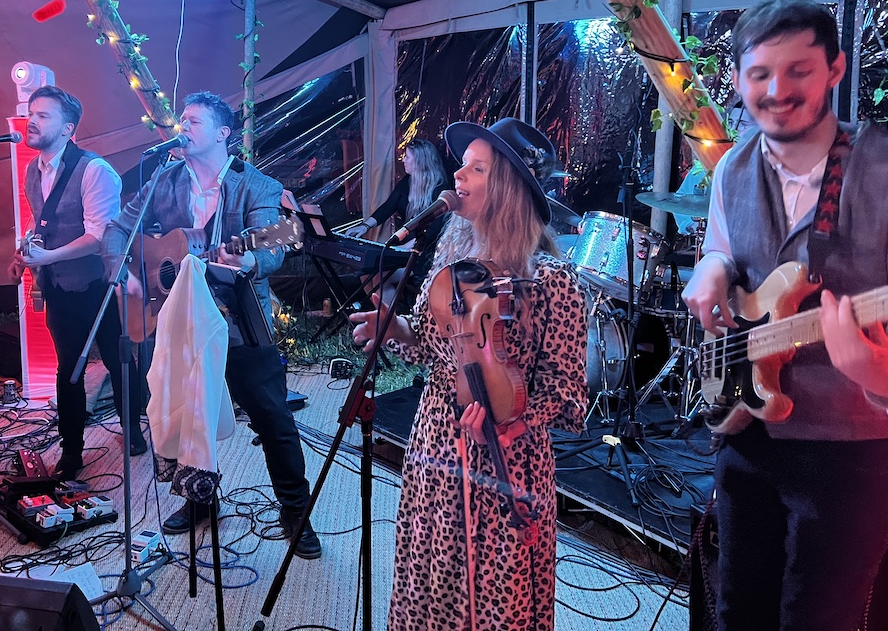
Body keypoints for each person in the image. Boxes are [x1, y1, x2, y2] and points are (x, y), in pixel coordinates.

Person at [681, 0, 888, 630]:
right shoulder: (732, 166)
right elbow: (725, 246)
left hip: (851, 453)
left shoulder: (883, 168)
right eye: (759, 73)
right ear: (738, 78)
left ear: (835, 70)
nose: (776, 91)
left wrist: (877, 374)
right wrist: (712, 263)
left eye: (799, 70)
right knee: (736, 612)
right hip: (747, 433)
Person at [351, 118, 588, 630]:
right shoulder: (451, 261)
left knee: (496, 596)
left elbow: (568, 390)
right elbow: (433, 346)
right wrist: (395, 329)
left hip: (507, 460)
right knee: (431, 576)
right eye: (463, 165)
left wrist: (512, 421)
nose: (457, 175)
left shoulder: (553, 281)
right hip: (436, 439)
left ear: (507, 188)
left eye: (477, 168)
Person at [101, 91, 322, 560]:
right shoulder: (164, 180)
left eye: (194, 120)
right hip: (179, 319)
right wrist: (123, 272)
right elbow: (118, 228)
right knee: (186, 412)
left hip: (238, 318)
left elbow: (277, 241)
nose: (183, 126)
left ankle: (296, 512)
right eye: (182, 119)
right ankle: (200, 501)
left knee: (272, 417)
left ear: (223, 134)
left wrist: (250, 260)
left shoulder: (255, 185)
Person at [9, 85, 146, 480]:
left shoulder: (94, 170)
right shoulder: (32, 171)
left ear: (68, 129)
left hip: (101, 284)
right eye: (31, 113)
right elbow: (41, 221)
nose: (32, 121)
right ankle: (72, 451)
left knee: (120, 361)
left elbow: (100, 237)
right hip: (59, 287)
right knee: (68, 368)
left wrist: (48, 257)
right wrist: (22, 254)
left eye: (43, 115)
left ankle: (132, 428)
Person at [348, 138, 451, 307]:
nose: (403, 160)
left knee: (379, 275)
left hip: (424, 254)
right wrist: (365, 226)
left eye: (407, 157)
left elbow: (434, 230)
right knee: (366, 274)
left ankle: (389, 319)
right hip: (404, 249)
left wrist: (404, 247)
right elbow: (388, 207)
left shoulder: (440, 190)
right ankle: (384, 316)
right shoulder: (407, 183)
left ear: (420, 161)